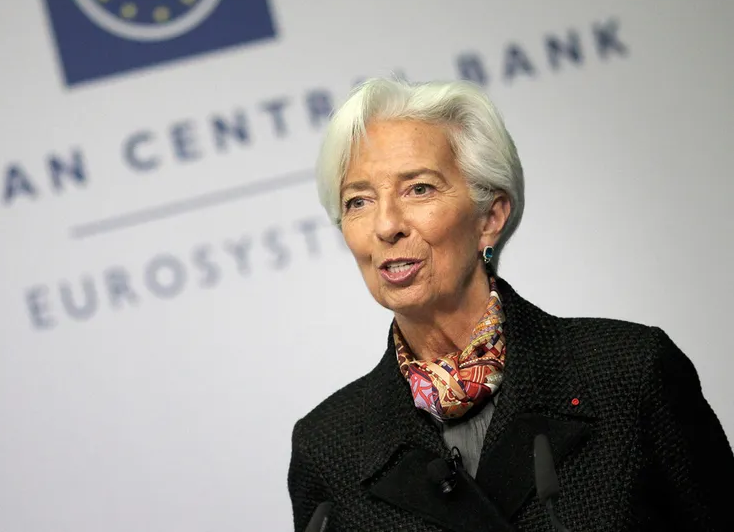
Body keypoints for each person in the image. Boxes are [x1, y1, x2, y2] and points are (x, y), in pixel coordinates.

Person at [287, 78, 733, 531]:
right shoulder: (327, 447)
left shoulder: (629, 373)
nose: (386, 226)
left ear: (490, 217)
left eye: (418, 189)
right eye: (358, 201)